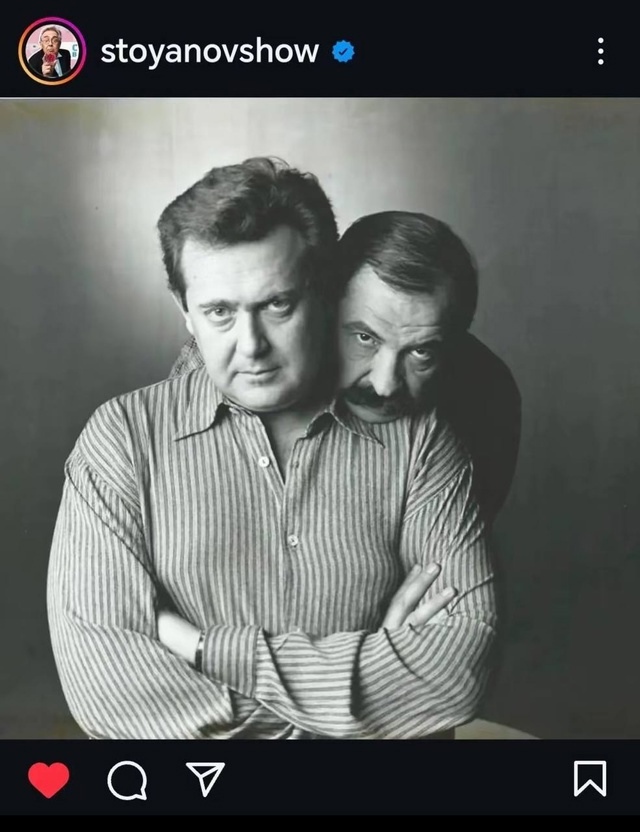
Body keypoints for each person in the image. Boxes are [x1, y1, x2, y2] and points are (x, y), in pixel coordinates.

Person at [47, 157, 496, 739]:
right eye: (219, 312)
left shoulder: (421, 441)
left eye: (277, 304)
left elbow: (457, 674)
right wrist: (354, 712)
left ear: (323, 293)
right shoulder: (121, 441)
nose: (251, 345)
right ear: (186, 313)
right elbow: (106, 692)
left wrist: (203, 648)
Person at [171, 210, 521, 525]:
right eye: (365, 338)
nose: (385, 385)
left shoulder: (489, 398)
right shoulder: (234, 365)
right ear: (322, 308)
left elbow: (447, 556)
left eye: (421, 353)